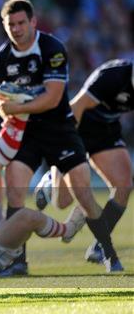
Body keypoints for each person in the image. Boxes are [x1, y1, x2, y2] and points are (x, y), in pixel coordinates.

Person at [0, 0, 121, 275]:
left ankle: (108, 252)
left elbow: (53, 98)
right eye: (10, 24)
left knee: (82, 194)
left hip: (59, 129)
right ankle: (17, 262)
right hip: (26, 132)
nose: (16, 28)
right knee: (14, 189)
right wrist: (4, 109)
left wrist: (17, 107)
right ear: (4, 25)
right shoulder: (1, 57)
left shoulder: (52, 48)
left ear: (33, 22)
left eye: (21, 22)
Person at [34, 59, 133, 266]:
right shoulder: (112, 76)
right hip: (78, 128)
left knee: (124, 185)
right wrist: (66, 154)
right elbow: (76, 107)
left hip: (107, 129)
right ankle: (53, 177)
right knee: (61, 202)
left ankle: (99, 246)